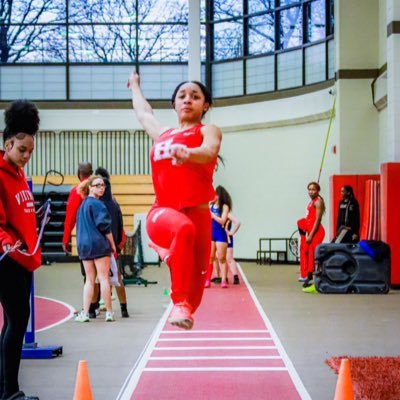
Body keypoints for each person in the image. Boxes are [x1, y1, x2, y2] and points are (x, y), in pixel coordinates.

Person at [128, 71, 221, 330]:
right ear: (174, 104)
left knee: (195, 299)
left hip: (199, 215)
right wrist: (134, 85)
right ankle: (177, 299)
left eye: (195, 96)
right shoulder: (163, 134)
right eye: (182, 96)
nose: (187, 100)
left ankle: (172, 261)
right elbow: (143, 112)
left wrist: (188, 153)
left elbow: (209, 151)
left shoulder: (208, 130)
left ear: (206, 105)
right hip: (163, 214)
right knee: (182, 228)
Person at [0, 100, 41, 400]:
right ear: (8, 142)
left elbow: (18, 212)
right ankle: (10, 391)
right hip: (7, 259)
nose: (26, 156)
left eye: (30, 151)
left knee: (14, 322)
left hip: (23, 259)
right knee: (16, 322)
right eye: (21, 150)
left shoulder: (18, 175)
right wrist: (5, 241)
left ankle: (6, 389)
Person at [74, 175, 117, 322]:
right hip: (99, 244)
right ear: (90, 187)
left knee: (89, 280)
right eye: (98, 185)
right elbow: (105, 227)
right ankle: (109, 312)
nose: (102, 187)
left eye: (103, 185)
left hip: (84, 246)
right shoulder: (99, 205)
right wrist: (112, 244)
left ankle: (85, 313)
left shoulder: (83, 205)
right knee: (104, 278)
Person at [95, 167, 129, 318]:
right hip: (114, 247)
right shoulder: (115, 204)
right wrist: (119, 245)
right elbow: (120, 226)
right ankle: (124, 309)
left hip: (101, 247)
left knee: (96, 278)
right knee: (118, 278)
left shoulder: (97, 205)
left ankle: (93, 309)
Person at [205, 186, 231, 288]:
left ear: (220, 196)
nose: (213, 196)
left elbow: (223, 221)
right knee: (210, 257)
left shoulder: (224, 207)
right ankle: (207, 280)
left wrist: (212, 215)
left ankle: (223, 280)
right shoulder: (210, 205)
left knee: (222, 258)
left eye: (215, 194)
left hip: (220, 234)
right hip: (211, 233)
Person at [302, 181, 325, 293]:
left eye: (313, 189)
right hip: (311, 233)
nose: (311, 191)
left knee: (315, 258)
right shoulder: (311, 202)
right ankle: (311, 280)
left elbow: (318, 220)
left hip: (317, 233)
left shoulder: (318, 202)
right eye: (309, 189)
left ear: (318, 191)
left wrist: (311, 235)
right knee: (310, 256)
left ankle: (316, 285)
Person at [225, 211, 241, 285]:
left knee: (229, 258)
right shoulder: (216, 211)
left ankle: (235, 277)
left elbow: (238, 222)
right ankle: (224, 277)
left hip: (227, 237)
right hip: (219, 237)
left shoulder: (227, 213)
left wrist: (232, 232)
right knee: (223, 258)